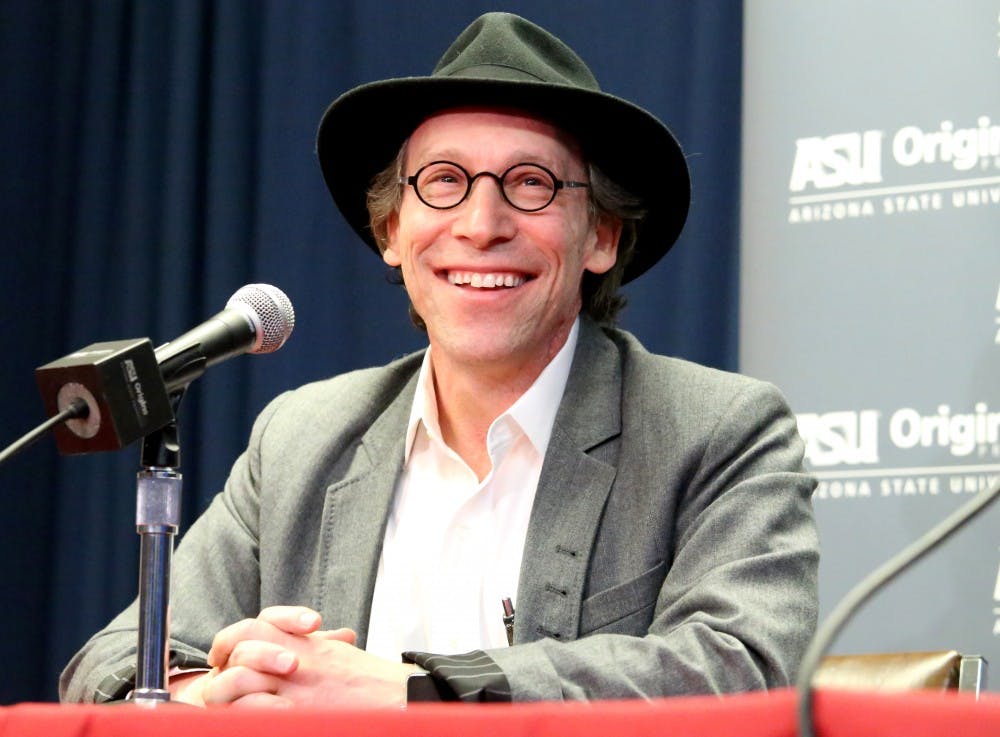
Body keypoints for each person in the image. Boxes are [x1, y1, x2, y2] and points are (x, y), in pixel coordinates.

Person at [60, 12, 819, 707]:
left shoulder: (718, 430)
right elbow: (113, 661)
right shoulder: (301, 437)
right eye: (445, 182)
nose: (481, 225)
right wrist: (211, 688)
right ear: (392, 228)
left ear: (602, 238)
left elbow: (739, 670)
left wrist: (411, 691)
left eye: (531, 183)